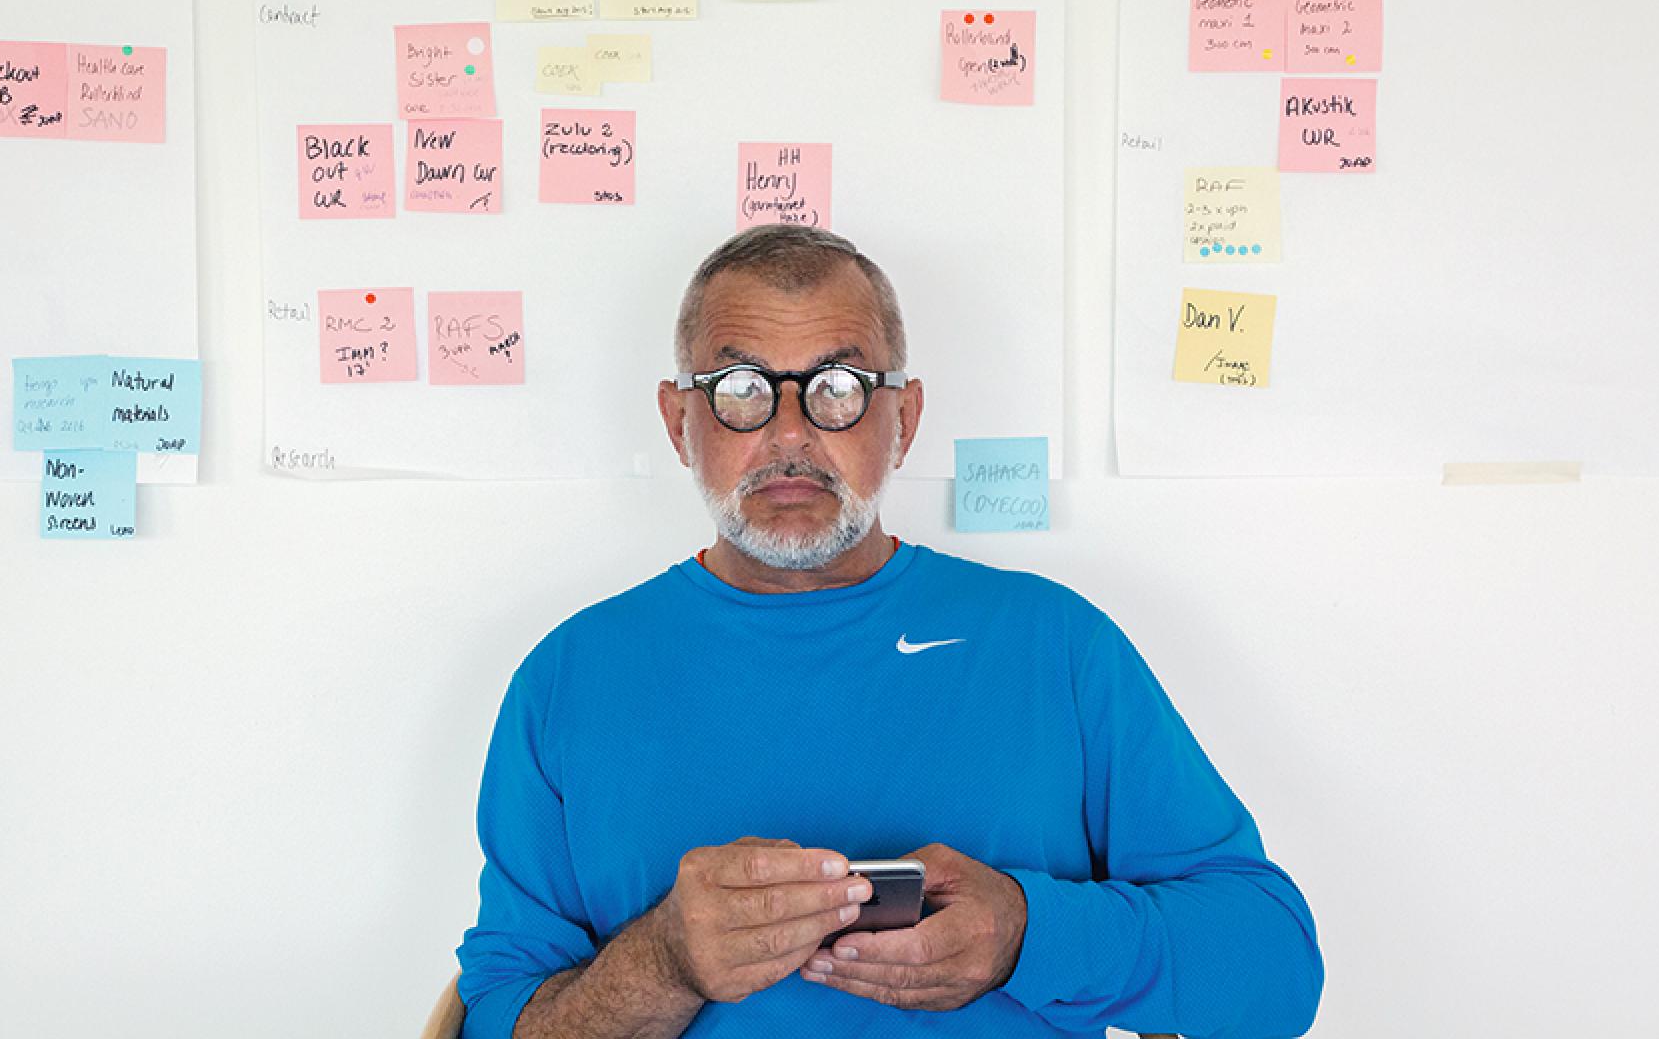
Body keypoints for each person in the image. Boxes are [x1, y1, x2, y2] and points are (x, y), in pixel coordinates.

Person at [454, 226, 1323, 1038]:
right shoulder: (567, 679)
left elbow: (1275, 969)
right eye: (741, 391)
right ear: (679, 420)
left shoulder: (1055, 645)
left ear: (902, 419)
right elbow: (497, 1016)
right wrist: (665, 961)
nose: (789, 434)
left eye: (837, 389)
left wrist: (1029, 931)